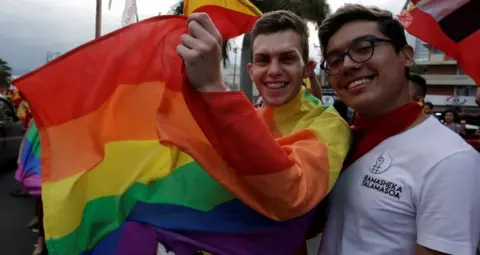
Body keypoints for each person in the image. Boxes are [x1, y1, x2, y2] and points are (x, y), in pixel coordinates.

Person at [88, 10, 350, 255]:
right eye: (263, 60)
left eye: (287, 58)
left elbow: (292, 192)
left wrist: (214, 88)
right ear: (251, 70)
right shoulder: (246, 115)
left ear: (307, 68)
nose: (273, 70)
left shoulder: (328, 124)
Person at [315, 4, 480, 255]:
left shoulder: (451, 160)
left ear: (406, 55)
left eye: (363, 48)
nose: (347, 65)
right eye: (335, 60)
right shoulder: (340, 141)